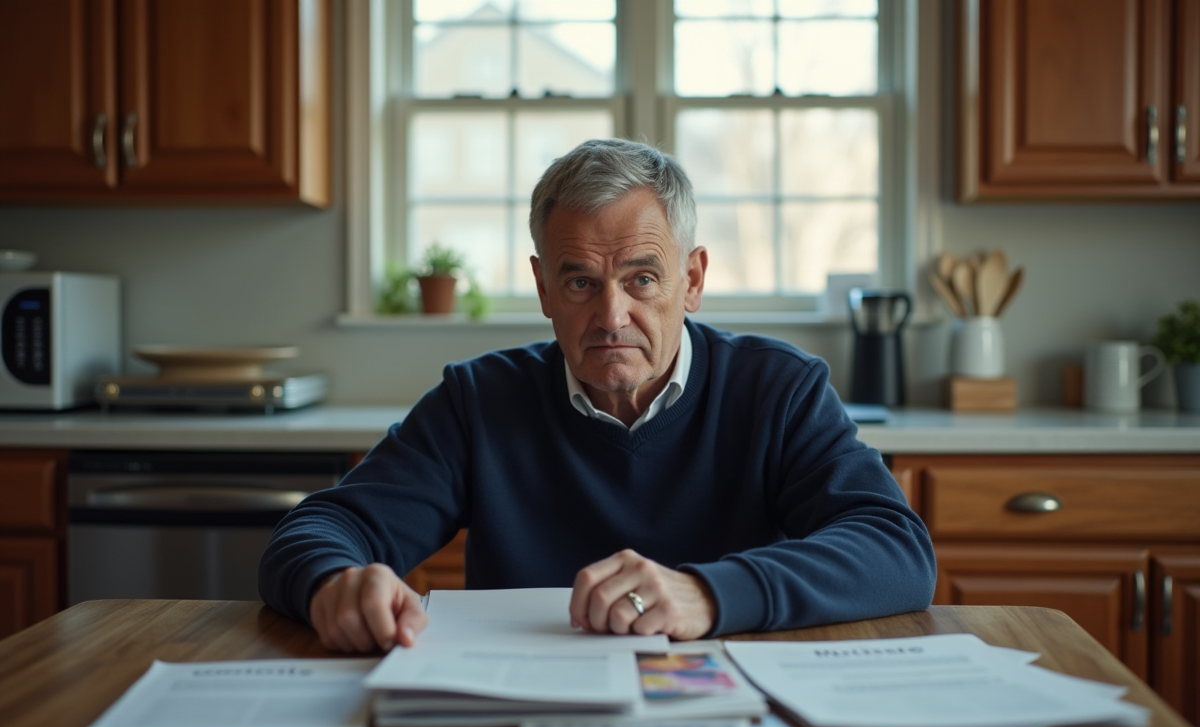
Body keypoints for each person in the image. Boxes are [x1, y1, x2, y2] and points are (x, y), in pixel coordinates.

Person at [258, 139, 936, 653]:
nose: (611, 317)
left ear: (692, 280)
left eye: (642, 279)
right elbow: (317, 531)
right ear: (544, 289)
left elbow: (896, 550)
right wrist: (334, 583)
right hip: (516, 716)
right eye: (581, 282)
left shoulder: (779, 390)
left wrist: (708, 593)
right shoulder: (478, 402)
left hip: (734, 720)